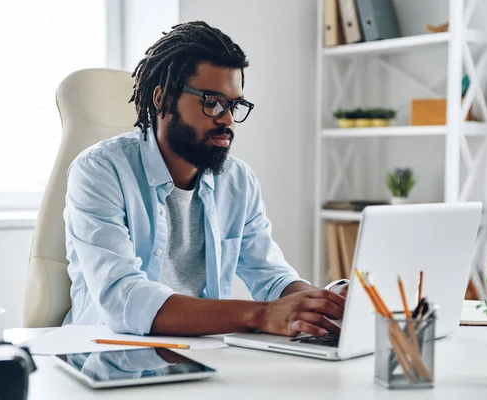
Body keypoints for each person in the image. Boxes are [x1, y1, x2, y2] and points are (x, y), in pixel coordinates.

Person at [63, 21, 349, 338]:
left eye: (235, 105)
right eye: (212, 102)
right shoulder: (99, 171)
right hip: (109, 355)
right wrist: (261, 315)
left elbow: (271, 277)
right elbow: (123, 300)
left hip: (203, 357)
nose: (227, 120)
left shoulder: (238, 180)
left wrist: (320, 303)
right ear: (163, 99)